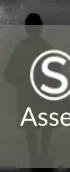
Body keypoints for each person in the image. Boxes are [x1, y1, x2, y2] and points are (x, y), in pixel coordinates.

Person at [4, 15, 52, 163]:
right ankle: (42, 153)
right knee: (46, 125)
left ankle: (34, 156)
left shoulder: (20, 48)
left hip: (26, 93)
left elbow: (7, 73)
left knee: (30, 127)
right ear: (40, 28)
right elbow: (57, 74)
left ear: (26, 29)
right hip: (43, 93)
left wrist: (20, 83)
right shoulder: (46, 47)